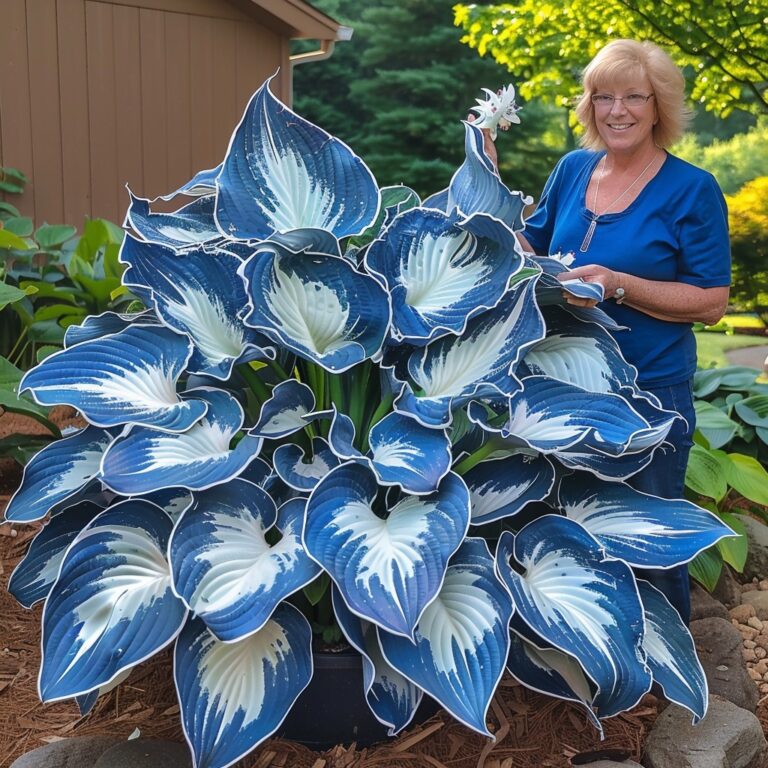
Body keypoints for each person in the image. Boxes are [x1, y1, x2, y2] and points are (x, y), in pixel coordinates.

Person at [506, 40, 731, 623]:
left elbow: (711, 302)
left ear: (659, 108)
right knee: (567, 530)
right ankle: (585, 655)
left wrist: (618, 283)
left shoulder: (692, 189)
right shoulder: (572, 168)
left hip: (648, 392)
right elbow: (530, 244)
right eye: (603, 97)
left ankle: (662, 674)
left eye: (634, 96)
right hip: (560, 384)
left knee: (649, 533)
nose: (617, 110)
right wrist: (488, 185)